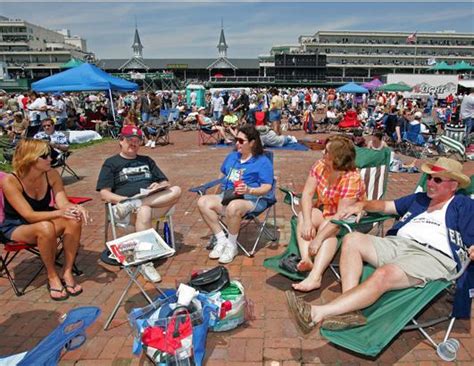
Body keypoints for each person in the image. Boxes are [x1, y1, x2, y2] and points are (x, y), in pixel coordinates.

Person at [286, 157, 473, 332]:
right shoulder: (420, 199)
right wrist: (362, 205)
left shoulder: (464, 205)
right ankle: (350, 311)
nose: (430, 183)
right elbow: (385, 206)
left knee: (385, 273)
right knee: (352, 240)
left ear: (454, 185)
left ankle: (316, 313)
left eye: (437, 180)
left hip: (432, 256)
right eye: (430, 178)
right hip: (397, 244)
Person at [0, 139, 89, 300]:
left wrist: (74, 208)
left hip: (45, 219)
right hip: (17, 226)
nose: (51, 159)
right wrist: (61, 213)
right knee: (46, 227)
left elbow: (63, 203)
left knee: (74, 219)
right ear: (30, 158)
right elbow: (29, 215)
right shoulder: (11, 181)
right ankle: (52, 275)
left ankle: (67, 271)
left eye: (50, 154)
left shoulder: (51, 174)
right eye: (45, 156)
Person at [96, 125, 181, 282]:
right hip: (124, 208)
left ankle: (135, 203)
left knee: (176, 190)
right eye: (130, 140)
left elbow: (165, 181)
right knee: (144, 209)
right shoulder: (111, 163)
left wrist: (159, 185)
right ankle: (145, 262)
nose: (133, 143)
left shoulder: (146, 160)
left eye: (137, 141)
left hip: (146, 203)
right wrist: (123, 200)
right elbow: (104, 194)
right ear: (121, 141)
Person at [292, 135, 366, 292]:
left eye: (326, 152)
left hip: (349, 219)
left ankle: (315, 277)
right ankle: (306, 259)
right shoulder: (320, 166)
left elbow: (340, 216)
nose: (322, 154)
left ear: (337, 157)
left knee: (328, 226)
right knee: (306, 215)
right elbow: (307, 194)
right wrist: (307, 222)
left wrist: (318, 239)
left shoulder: (351, 178)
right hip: (326, 210)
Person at [197, 125, 274, 264]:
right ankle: (221, 240)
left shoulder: (262, 161)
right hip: (229, 195)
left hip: (253, 199)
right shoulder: (232, 156)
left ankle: (232, 246)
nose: (236, 143)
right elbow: (222, 176)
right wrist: (215, 194)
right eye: (235, 139)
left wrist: (249, 190)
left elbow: (267, 187)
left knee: (233, 207)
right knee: (203, 201)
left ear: (252, 142)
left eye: (240, 140)